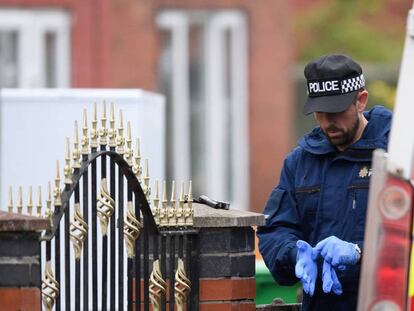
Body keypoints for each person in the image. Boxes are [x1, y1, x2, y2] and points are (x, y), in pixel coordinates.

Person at [257, 54, 392, 311]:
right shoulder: (301, 162)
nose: (328, 121)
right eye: (320, 112)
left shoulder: (397, 157)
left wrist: (360, 253)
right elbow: (274, 229)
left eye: (337, 111)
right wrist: (295, 253)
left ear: (360, 101)